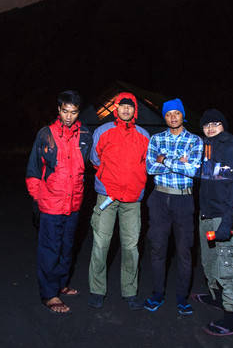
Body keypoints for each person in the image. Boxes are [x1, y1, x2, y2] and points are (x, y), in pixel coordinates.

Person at [26, 90, 93, 314]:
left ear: (78, 112)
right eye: (65, 111)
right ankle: (49, 294)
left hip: (74, 203)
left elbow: (89, 166)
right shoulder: (46, 134)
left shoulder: (85, 135)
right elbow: (34, 170)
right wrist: (38, 200)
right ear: (58, 110)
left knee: (67, 247)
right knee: (50, 249)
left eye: (73, 112)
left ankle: (61, 283)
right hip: (51, 204)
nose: (68, 116)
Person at [88, 92, 150, 311]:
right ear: (116, 108)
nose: (126, 109)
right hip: (107, 195)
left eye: (130, 106)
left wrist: (135, 182)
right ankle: (97, 290)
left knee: (131, 247)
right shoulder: (102, 131)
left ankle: (130, 291)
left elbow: (147, 163)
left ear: (135, 110)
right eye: (122, 106)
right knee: (101, 244)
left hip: (132, 199)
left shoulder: (143, 135)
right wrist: (109, 179)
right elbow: (95, 159)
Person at [143, 98, 203, 316]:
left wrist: (165, 160)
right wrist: (179, 162)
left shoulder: (195, 140)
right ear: (164, 117)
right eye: (168, 114)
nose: (173, 117)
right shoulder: (156, 139)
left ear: (182, 115)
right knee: (158, 249)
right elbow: (150, 168)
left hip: (183, 200)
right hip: (159, 198)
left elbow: (193, 170)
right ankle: (157, 294)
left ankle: (181, 298)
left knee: (184, 251)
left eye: (176, 113)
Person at [193, 108, 233, 336]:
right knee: (210, 260)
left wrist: (228, 221)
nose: (210, 128)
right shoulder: (208, 146)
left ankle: (232, 319)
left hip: (225, 217)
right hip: (208, 215)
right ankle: (217, 297)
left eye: (215, 124)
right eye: (206, 125)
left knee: (227, 265)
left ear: (223, 125)